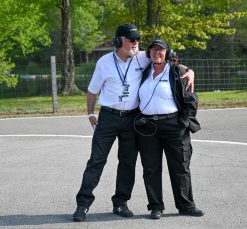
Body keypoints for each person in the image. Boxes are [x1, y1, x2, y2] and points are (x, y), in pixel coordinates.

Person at [72, 24, 195, 222]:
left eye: (138, 39)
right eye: (131, 39)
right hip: (108, 117)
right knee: (96, 161)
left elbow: (166, 60)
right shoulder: (104, 63)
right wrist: (89, 114)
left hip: (132, 119)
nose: (136, 42)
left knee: (127, 163)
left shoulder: (142, 56)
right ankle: (83, 204)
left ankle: (120, 202)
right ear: (119, 41)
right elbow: (92, 91)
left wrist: (189, 72)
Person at [135, 38, 204, 219]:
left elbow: (190, 100)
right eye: (153, 50)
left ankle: (186, 206)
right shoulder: (142, 73)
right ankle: (156, 206)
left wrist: (183, 122)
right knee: (150, 169)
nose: (157, 53)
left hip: (174, 125)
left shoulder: (177, 71)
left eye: (161, 50)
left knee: (180, 167)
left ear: (168, 53)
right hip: (148, 128)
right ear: (149, 53)